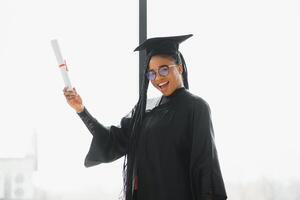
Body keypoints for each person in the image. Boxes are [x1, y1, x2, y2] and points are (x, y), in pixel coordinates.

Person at [63, 34, 227, 200]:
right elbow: (111, 140)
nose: (158, 78)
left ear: (179, 68)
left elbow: (205, 168)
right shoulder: (145, 109)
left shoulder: (196, 108)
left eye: (164, 69)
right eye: (151, 74)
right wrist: (81, 110)